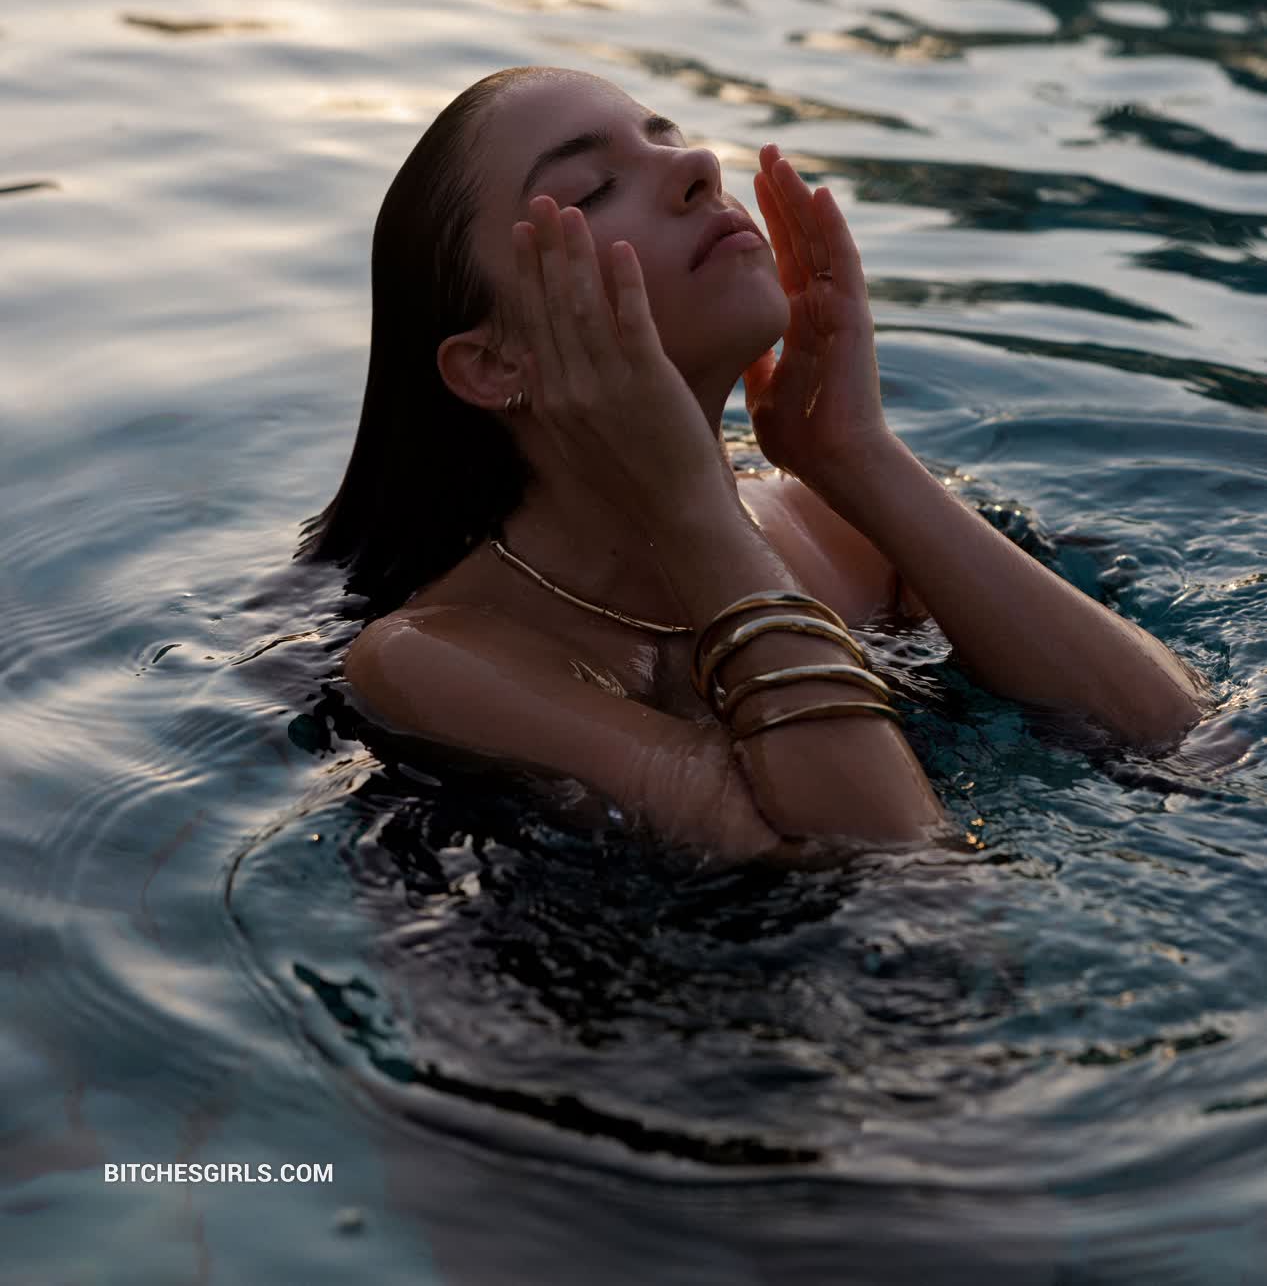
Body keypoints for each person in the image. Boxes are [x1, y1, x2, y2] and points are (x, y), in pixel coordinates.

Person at [301, 65, 1210, 869]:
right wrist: (692, 508)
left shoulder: (830, 523)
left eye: (669, 139)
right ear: (496, 364)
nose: (700, 166)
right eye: (592, 190)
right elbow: (884, 865)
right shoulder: (438, 659)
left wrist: (858, 456)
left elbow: (1182, 747)